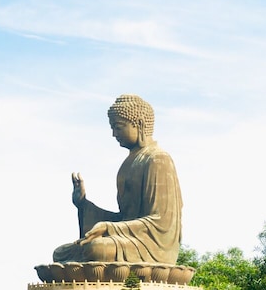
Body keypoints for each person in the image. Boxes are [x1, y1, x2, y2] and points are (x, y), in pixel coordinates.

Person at [52, 94, 183, 264]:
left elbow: (162, 222)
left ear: (140, 124)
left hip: (152, 245)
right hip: (129, 238)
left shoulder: (158, 159)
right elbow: (124, 219)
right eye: (112, 127)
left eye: (119, 127)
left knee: (97, 249)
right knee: (61, 253)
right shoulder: (128, 164)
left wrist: (110, 228)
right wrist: (84, 204)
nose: (114, 134)